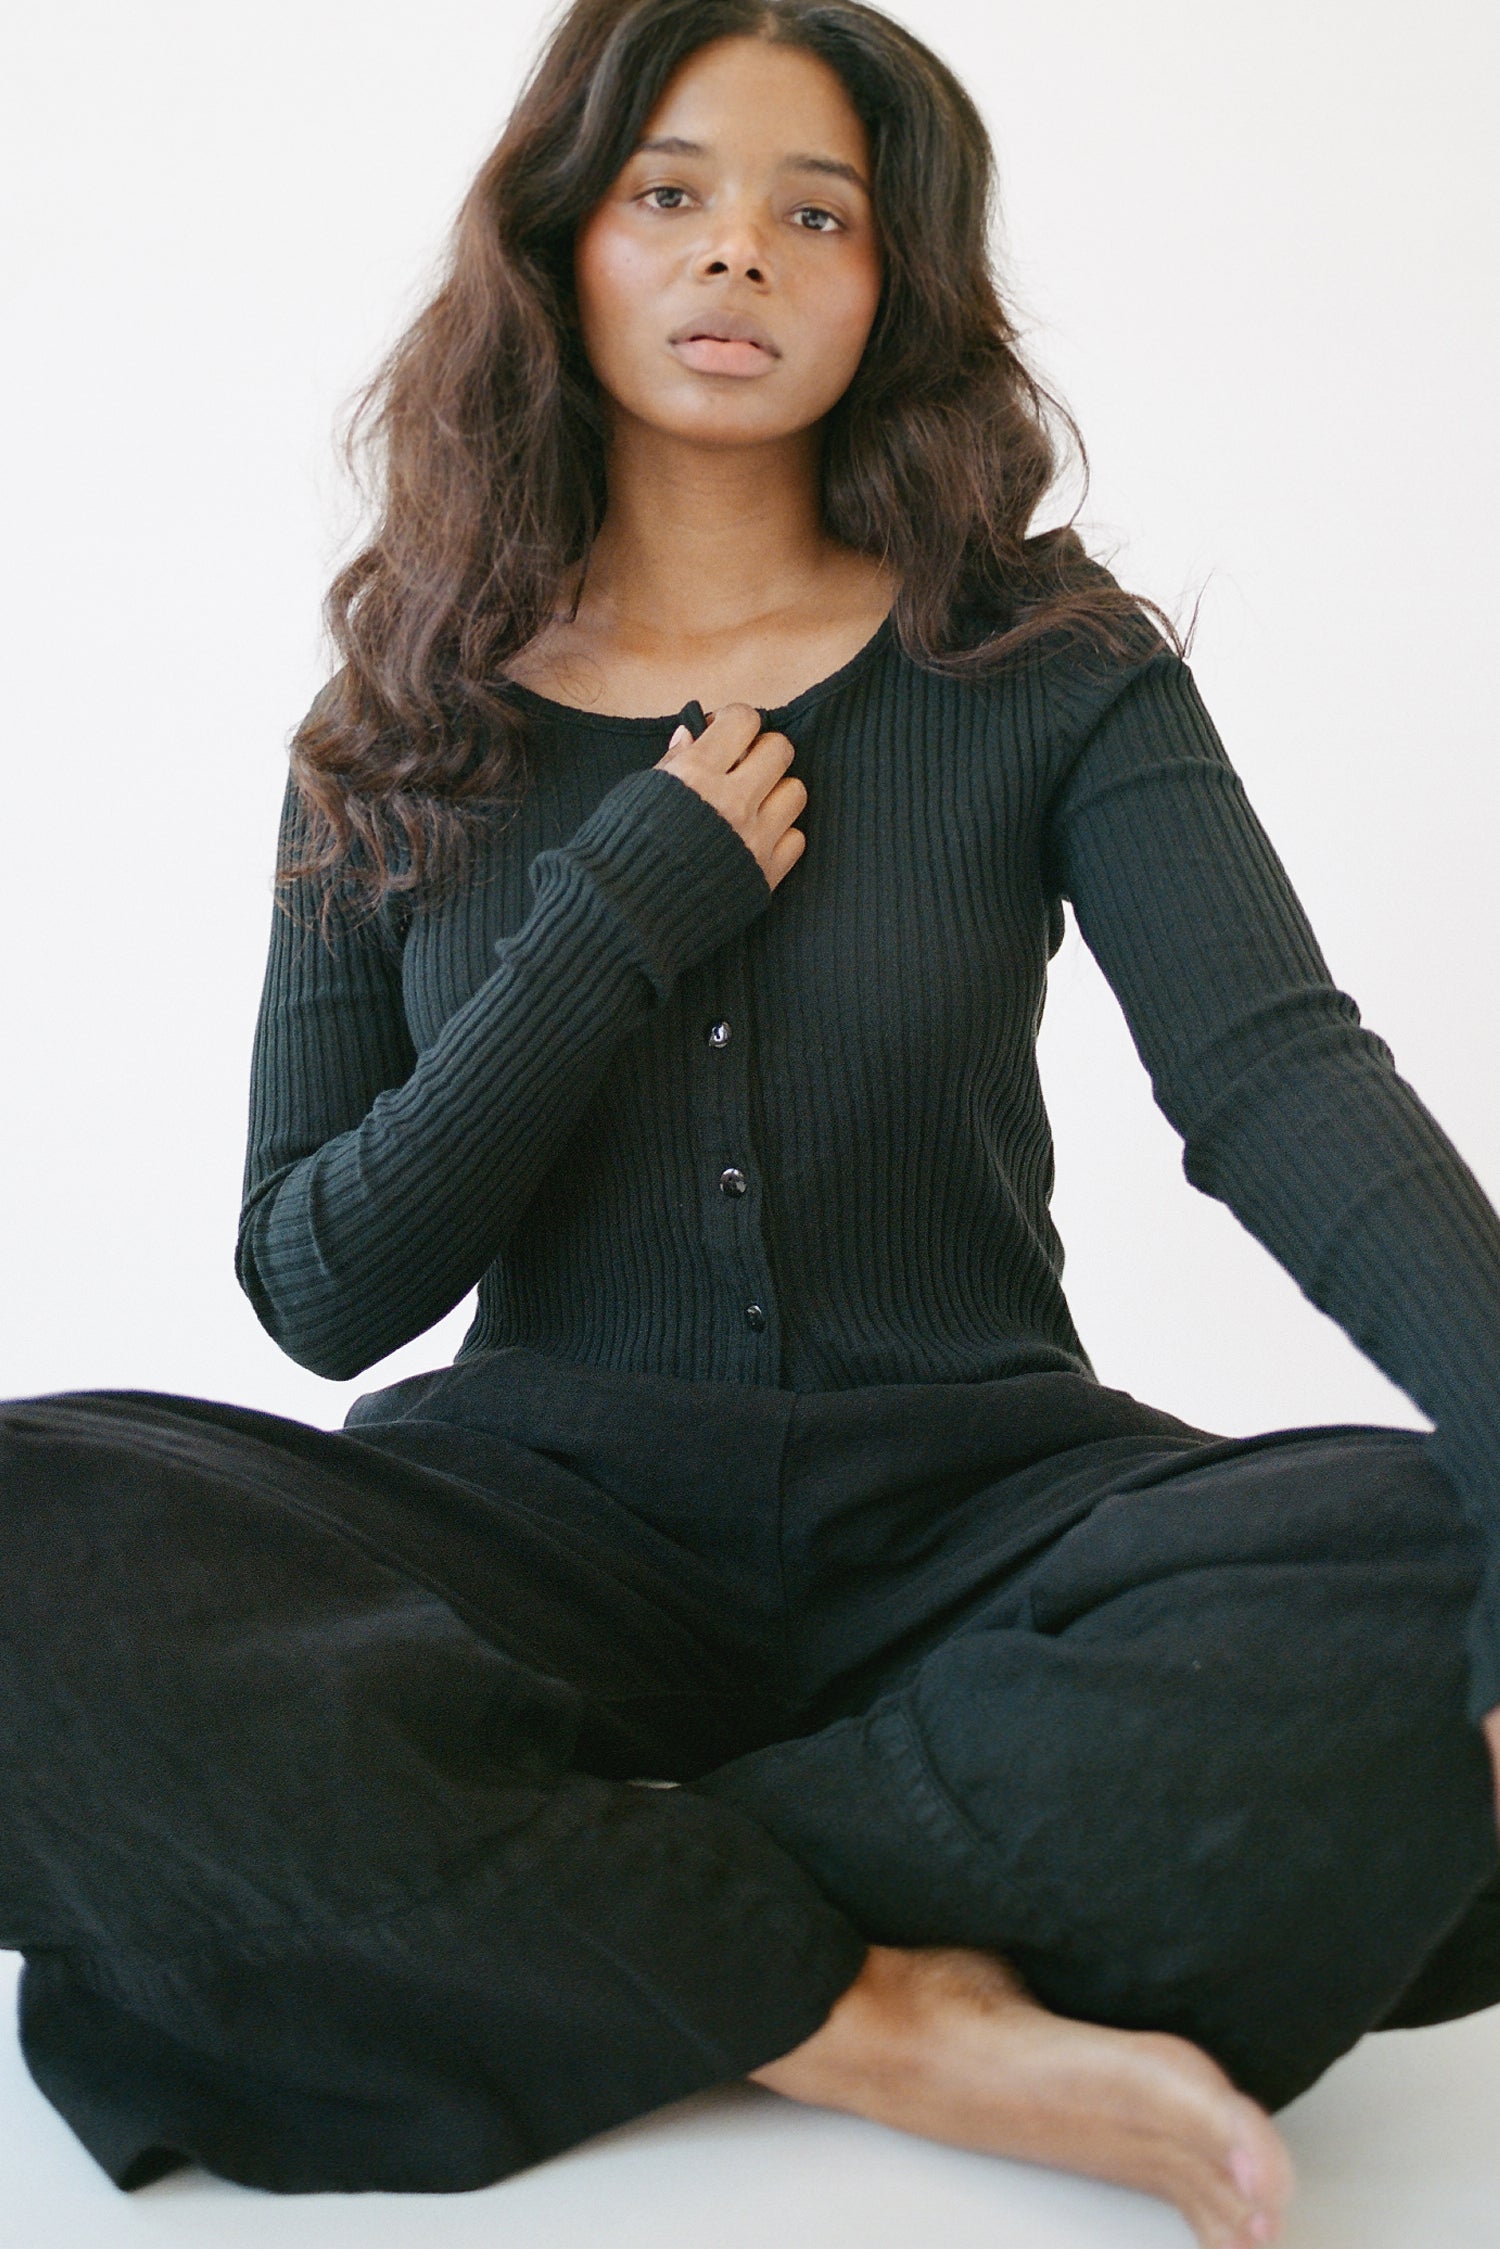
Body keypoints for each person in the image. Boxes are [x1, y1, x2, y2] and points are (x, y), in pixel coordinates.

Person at [5, 5, 1500, 2245]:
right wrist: (619, 914)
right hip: (533, 1539)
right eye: (674, 195)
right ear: (562, 244)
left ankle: (501, 1901)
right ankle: (865, 2011)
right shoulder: (392, 731)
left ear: (895, 290)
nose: (742, 258)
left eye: (820, 215)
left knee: (1431, 1583)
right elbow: (321, 1289)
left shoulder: (1055, 668)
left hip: (987, 1523)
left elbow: (1280, 1079)